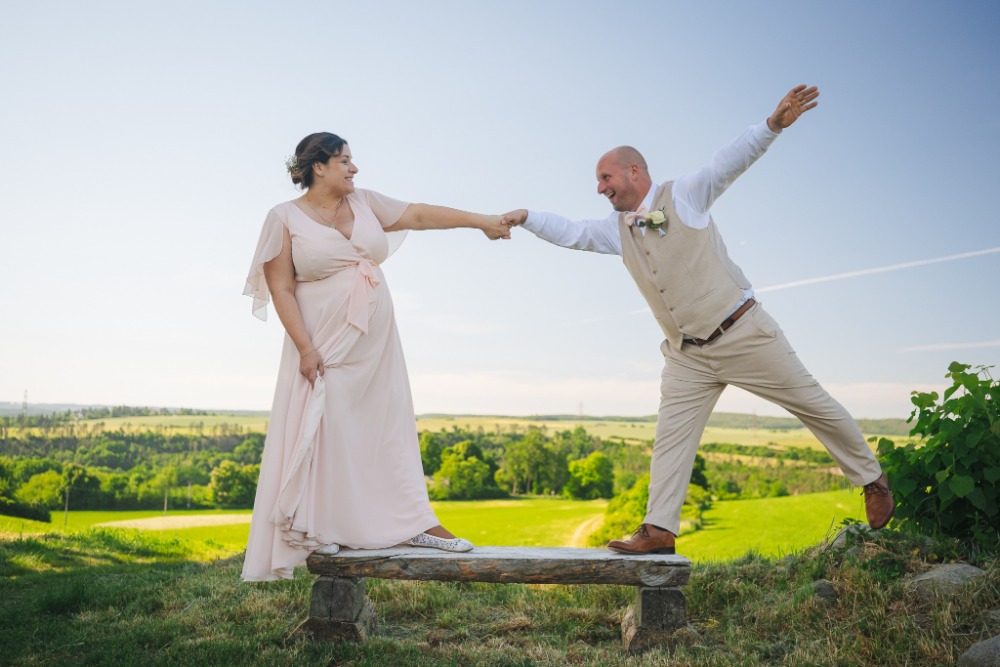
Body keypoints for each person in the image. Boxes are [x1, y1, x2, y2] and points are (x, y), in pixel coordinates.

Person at [501, 85, 894, 555]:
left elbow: (727, 162)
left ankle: (871, 479)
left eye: (606, 178)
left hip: (743, 333)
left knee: (812, 404)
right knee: (670, 439)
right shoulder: (617, 230)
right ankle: (660, 530)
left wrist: (771, 127)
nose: (600, 188)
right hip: (686, 355)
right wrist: (526, 217)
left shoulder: (684, 195)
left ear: (634, 171)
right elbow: (572, 232)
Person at [241, 132, 509, 581]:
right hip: (321, 338)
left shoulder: (365, 202)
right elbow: (281, 287)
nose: (354, 168)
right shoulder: (283, 217)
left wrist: (481, 220)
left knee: (386, 423)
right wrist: (306, 347)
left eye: (352, 160)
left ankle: (415, 523)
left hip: (375, 338)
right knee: (326, 423)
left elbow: (420, 215)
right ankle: (320, 526)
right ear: (317, 166)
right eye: (344, 160)